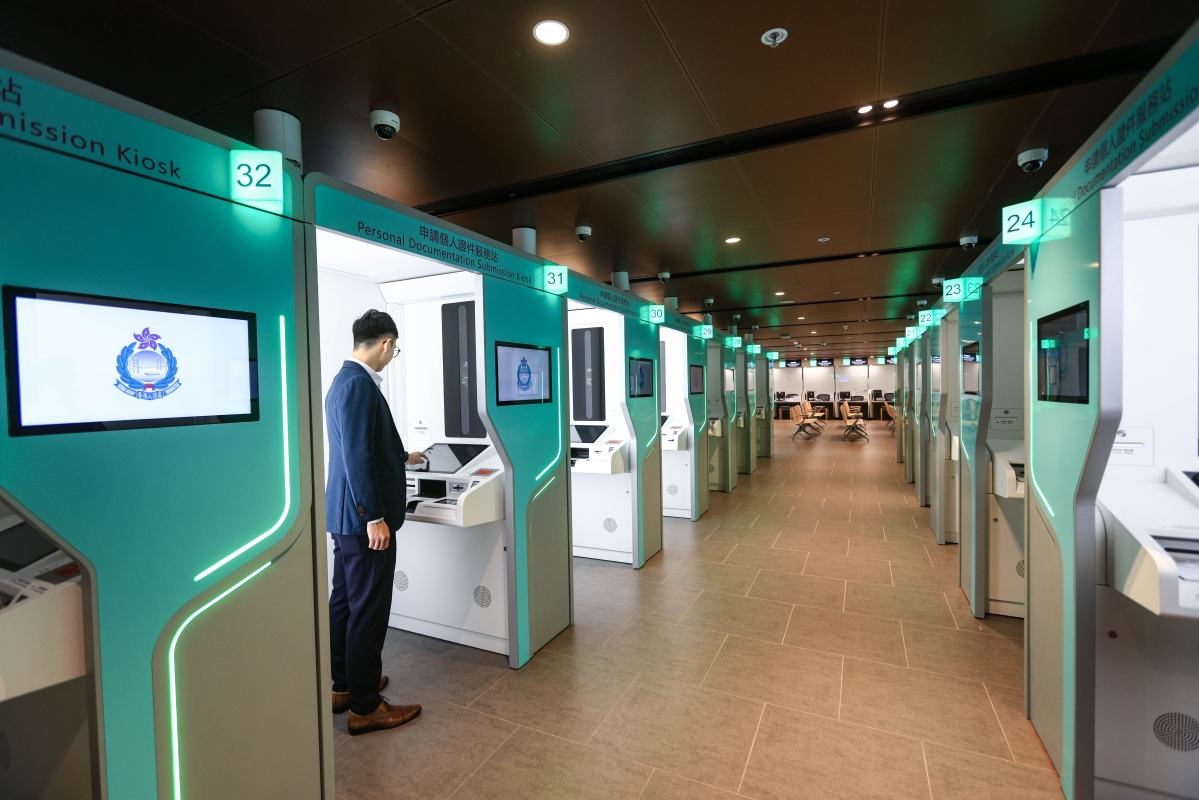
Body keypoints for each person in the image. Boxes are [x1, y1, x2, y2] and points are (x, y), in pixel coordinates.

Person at [326, 310, 425, 735]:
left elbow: (365, 444)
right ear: (386, 343)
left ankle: (346, 686)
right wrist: (376, 518)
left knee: (346, 602)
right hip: (362, 518)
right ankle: (366, 708)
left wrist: (404, 457)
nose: (392, 355)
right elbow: (357, 457)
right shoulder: (359, 385)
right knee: (368, 610)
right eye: (394, 349)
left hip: (345, 516)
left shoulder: (342, 381)